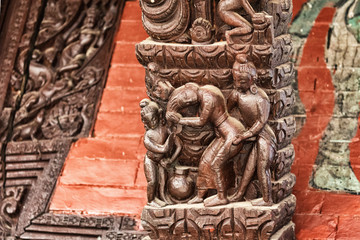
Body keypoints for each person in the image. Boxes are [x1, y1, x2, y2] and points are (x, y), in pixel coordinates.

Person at [166, 83, 245, 207]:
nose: (187, 101)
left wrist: (180, 120)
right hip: (222, 134)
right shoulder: (204, 90)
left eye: (186, 97)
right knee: (205, 161)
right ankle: (200, 195)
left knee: (216, 164)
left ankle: (222, 197)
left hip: (232, 133)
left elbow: (201, 122)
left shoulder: (207, 98)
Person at [227, 54, 276, 206]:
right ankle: (239, 194)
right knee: (248, 170)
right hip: (250, 136)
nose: (238, 84)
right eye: (236, 80)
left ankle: (267, 200)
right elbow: (226, 113)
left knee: (262, 168)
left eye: (242, 81)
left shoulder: (261, 98)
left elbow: (261, 123)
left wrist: (243, 136)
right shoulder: (236, 95)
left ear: (252, 80)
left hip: (265, 136)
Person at [140, 99, 181, 207]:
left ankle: (162, 198)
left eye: (153, 119)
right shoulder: (148, 135)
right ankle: (151, 200)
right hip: (151, 160)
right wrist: (168, 142)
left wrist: (170, 160)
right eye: (148, 121)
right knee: (152, 181)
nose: (152, 123)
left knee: (163, 182)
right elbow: (161, 149)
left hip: (162, 161)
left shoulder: (165, 129)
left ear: (158, 115)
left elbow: (179, 146)